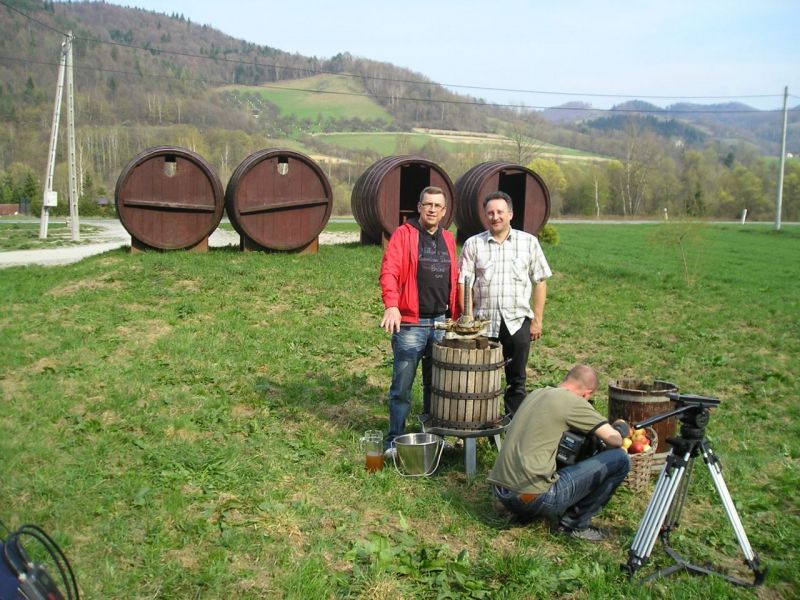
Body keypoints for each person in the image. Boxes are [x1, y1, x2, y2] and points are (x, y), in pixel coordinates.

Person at [487, 365, 631, 541]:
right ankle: (575, 525)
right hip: (530, 498)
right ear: (587, 393)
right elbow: (614, 440)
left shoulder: (536, 393)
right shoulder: (573, 402)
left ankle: (527, 510)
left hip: (502, 493)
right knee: (620, 459)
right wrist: (620, 428)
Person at [379, 186, 459, 452]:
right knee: (402, 387)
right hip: (411, 324)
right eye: (428, 204)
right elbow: (389, 271)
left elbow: (454, 279)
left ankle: (433, 438)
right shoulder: (404, 234)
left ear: (444, 211)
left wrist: (456, 315)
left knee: (435, 386)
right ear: (419, 207)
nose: (432, 209)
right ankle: (393, 440)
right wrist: (392, 305)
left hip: (440, 322)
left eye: (437, 206)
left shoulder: (448, 238)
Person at [458, 191, 552, 416]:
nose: (495, 217)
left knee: (516, 382)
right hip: (483, 324)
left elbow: (540, 282)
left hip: (517, 322)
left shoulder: (528, 242)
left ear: (510, 214)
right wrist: (468, 319)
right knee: (480, 379)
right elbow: (464, 283)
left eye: (500, 212)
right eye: (490, 213)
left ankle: (513, 428)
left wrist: (537, 321)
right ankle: (483, 426)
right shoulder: (473, 244)